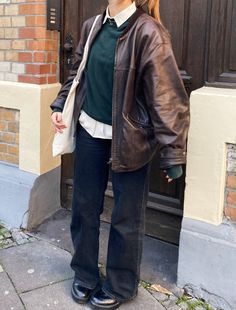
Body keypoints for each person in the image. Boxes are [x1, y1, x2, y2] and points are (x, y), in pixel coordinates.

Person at [50, 0, 190, 309]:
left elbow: (167, 98)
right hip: (89, 132)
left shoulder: (148, 32)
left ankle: (121, 284)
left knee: (126, 216)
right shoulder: (92, 26)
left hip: (130, 139)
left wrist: (173, 154)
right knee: (84, 207)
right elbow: (77, 74)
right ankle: (84, 275)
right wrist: (60, 105)